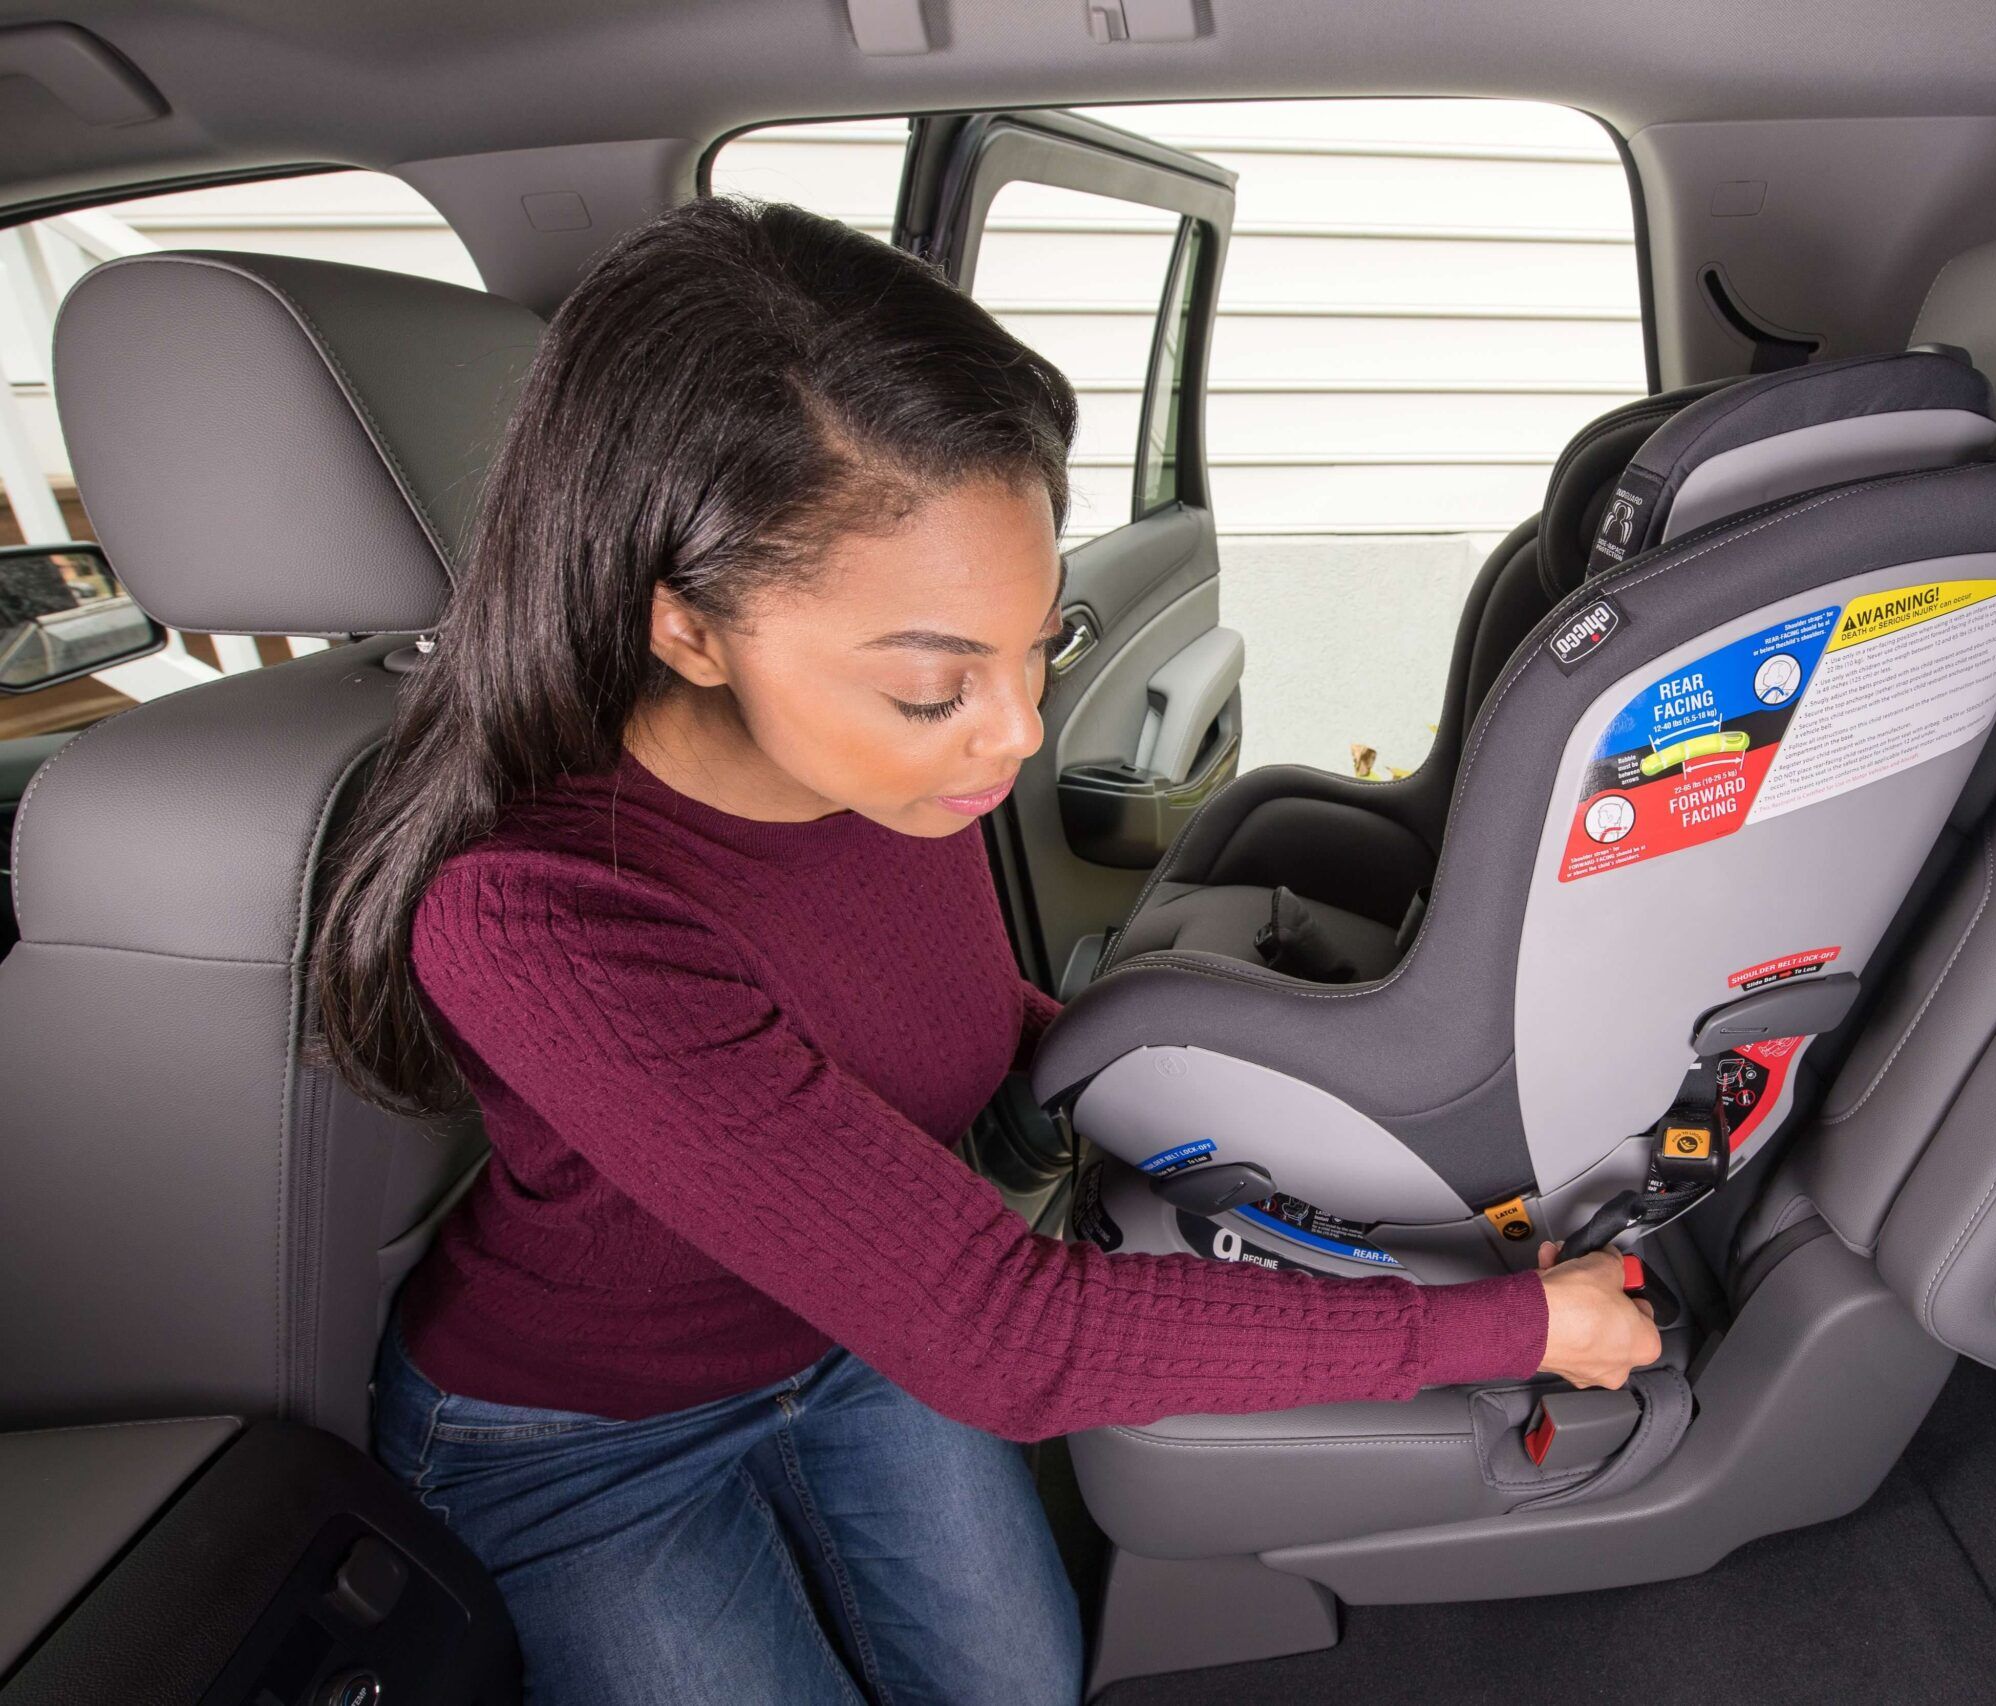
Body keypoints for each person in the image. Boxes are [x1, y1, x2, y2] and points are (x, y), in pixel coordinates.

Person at [310, 197, 1659, 1706]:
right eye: (935, 687)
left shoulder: (880, 768)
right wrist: (1517, 1326)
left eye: (1040, 649)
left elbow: (938, 1013)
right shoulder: (542, 915)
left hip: (858, 1333)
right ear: (685, 628)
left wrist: (1225, 1088)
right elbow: (1004, 1338)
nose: (1013, 735)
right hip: (588, 1438)